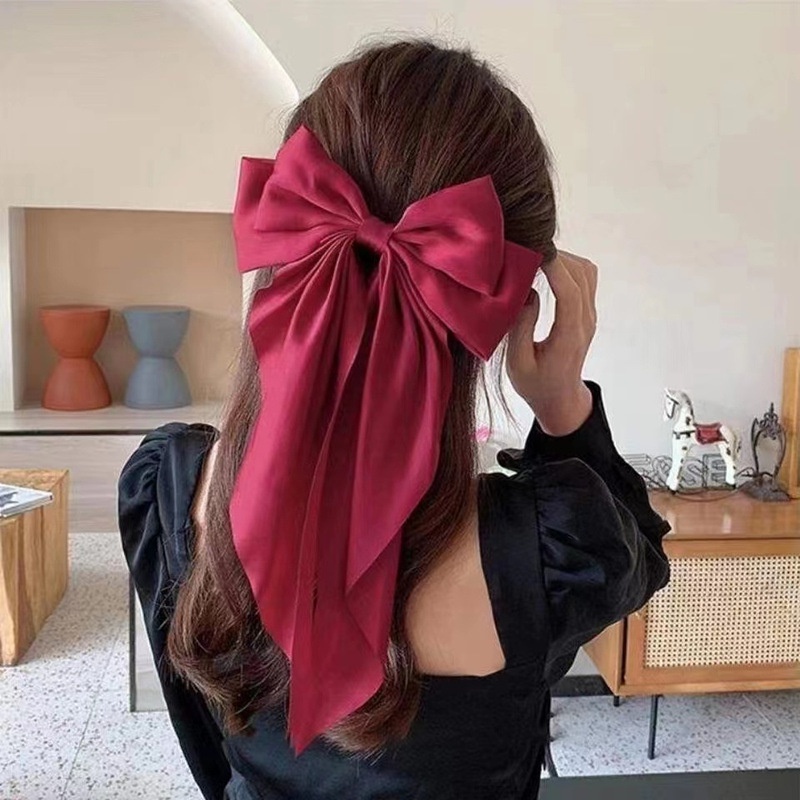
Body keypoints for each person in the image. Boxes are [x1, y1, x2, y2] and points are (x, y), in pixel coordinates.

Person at [119, 39, 670, 800]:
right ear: (509, 300)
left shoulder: (172, 486)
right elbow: (639, 555)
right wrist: (562, 404)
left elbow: (206, 745)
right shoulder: (554, 548)